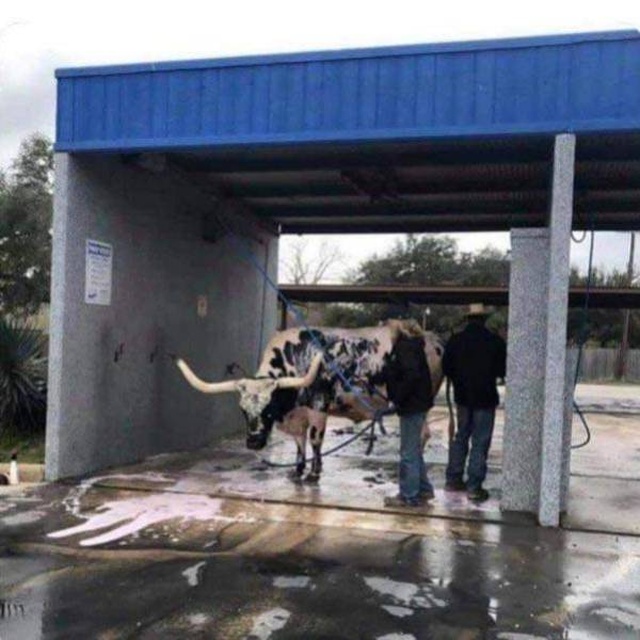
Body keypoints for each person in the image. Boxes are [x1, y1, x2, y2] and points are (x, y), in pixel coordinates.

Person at [443, 303, 506, 503]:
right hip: (485, 398)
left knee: (461, 436)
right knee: (480, 441)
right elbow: (501, 371)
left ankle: (453, 479)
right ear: (484, 320)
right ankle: (474, 486)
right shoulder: (494, 341)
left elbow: (446, 368)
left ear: (468, 319)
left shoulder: (456, 340)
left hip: (462, 397)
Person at [384, 318, 435, 508]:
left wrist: (397, 397)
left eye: (390, 327)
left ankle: (408, 496)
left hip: (411, 406)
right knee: (414, 450)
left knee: (408, 453)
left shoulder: (404, 348)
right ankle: (424, 489)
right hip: (418, 404)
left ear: (400, 329)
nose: (388, 330)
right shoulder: (414, 346)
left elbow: (410, 375)